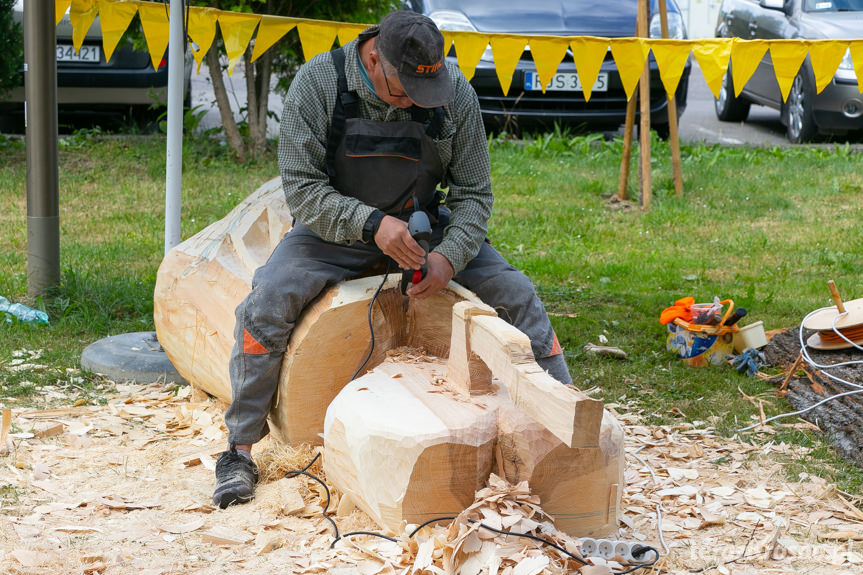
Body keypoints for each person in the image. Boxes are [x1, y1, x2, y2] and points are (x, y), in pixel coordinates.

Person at [212, 10, 573, 508]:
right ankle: (239, 449)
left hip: (423, 225)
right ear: (374, 56)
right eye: (403, 91)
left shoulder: (456, 95)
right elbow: (302, 191)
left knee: (517, 295)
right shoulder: (319, 83)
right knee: (267, 302)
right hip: (332, 231)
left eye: (422, 93)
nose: (412, 103)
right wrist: (370, 225)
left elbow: (473, 194)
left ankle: (570, 427)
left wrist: (449, 255)